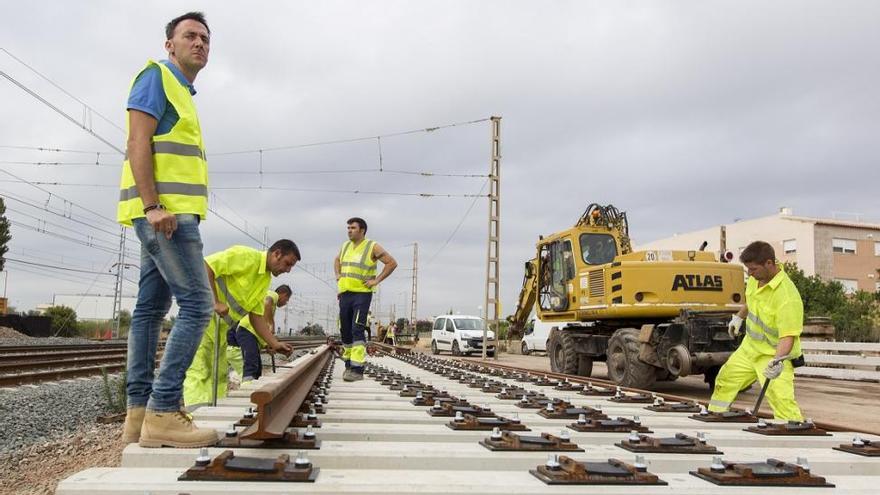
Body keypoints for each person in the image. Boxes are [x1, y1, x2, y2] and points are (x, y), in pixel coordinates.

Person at [119, 12, 218, 448]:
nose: (199, 43)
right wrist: (154, 205)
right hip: (166, 216)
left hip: (167, 215)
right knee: (198, 305)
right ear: (170, 45)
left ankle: (138, 413)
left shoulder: (182, 91)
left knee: (148, 311)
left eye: (205, 39)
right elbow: (137, 141)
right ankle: (163, 410)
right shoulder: (156, 77)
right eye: (190, 36)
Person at [183, 241, 299, 410]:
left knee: (218, 373)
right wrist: (214, 301)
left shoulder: (264, 280)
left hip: (220, 329)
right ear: (277, 254)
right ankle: (196, 417)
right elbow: (206, 265)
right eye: (288, 264)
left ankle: (214, 414)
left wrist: (274, 343)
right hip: (202, 319)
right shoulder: (245, 256)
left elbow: (256, 316)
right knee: (199, 369)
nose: (287, 270)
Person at [709, 241, 804, 420]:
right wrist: (739, 317)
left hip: (773, 356)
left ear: (769, 263)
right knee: (725, 380)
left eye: (753, 269)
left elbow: (788, 336)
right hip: (749, 349)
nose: (750, 274)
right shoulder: (757, 279)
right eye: (748, 270)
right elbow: (753, 301)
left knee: (780, 398)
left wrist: (777, 362)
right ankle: (715, 416)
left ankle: (793, 430)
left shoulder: (787, 297)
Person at [334, 217, 397, 381]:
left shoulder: (372, 246)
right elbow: (336, 260)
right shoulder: (345, 246)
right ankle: (348, 364)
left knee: (357, 329)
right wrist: (338, 277)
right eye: (348, 227)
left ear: (362, 230)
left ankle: (357, 369)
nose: (349, 230)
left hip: (361, 294)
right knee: (345, 330)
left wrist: (376, 280)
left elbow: (391, 263)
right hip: (345, 294)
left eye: (353, 228)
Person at [235, 285, 292, 384]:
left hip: (254, 334)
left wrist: (269, 345)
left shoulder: (272, 307)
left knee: (257, 368)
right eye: (286, 300)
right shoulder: (273, 295)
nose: (285, 303)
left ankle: (253, 388)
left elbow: (263, 329)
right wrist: (271, 323)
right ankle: (247, 389)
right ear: (283, 294)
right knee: (251, 364)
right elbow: (267, 302)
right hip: (247, 330)